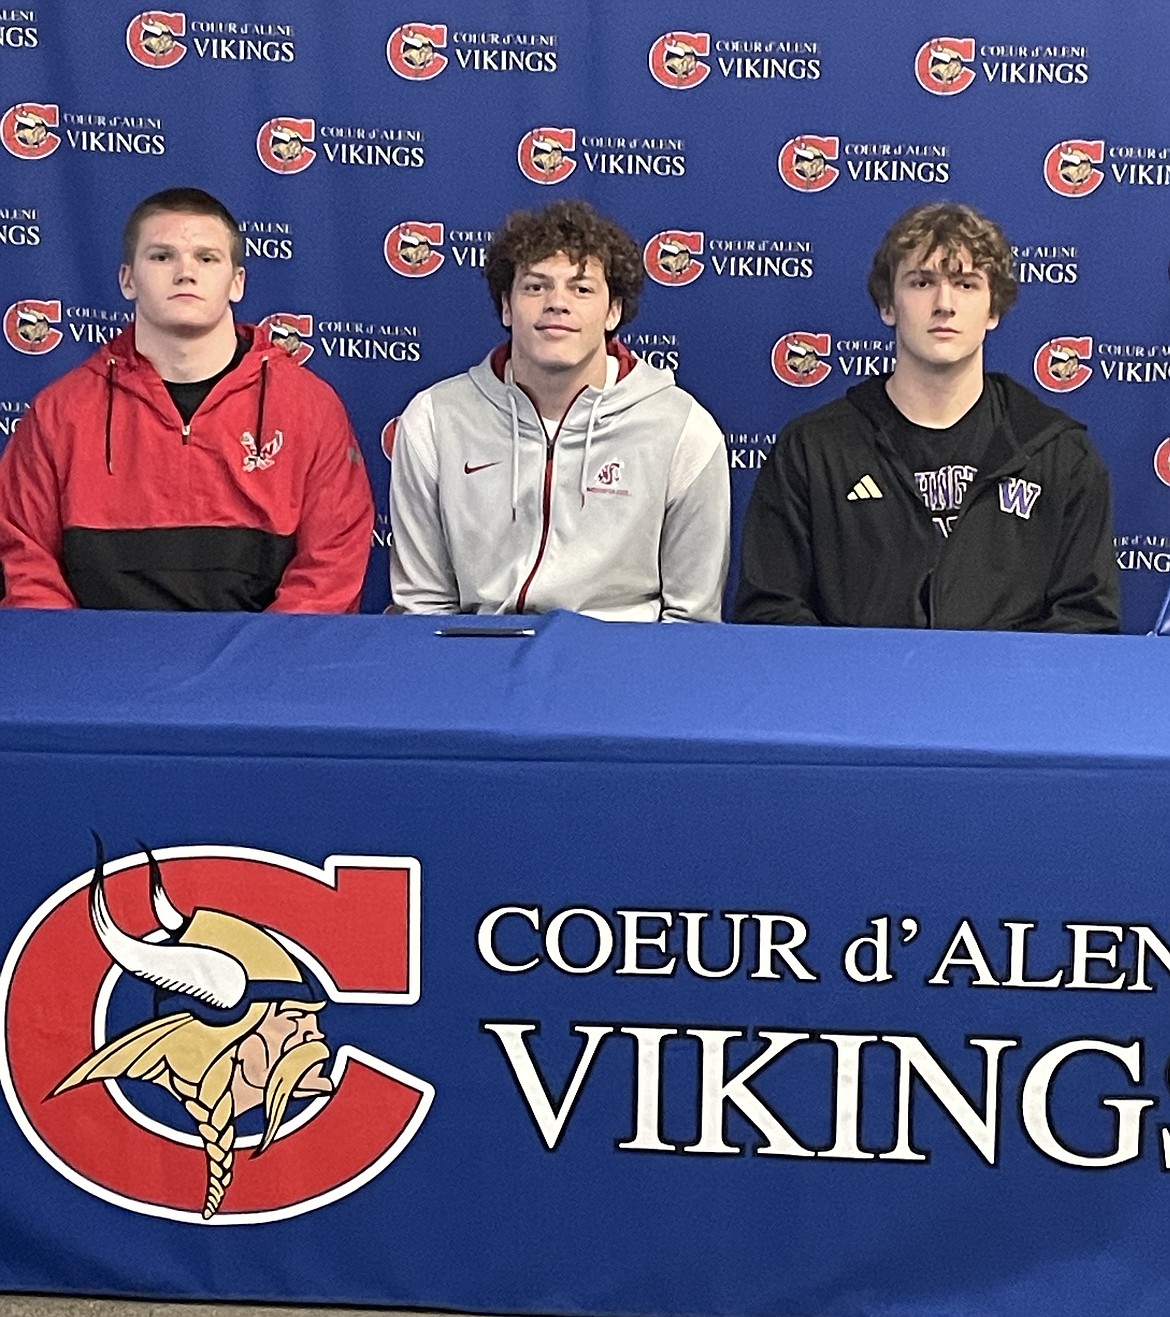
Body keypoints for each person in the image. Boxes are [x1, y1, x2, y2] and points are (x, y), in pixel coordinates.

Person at [735, 202, 1119, 632]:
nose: (944, 304)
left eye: (966, 284)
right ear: (888, 305)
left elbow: (1086, 621)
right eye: (922, 282)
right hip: (856, 696)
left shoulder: (1060, 455)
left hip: (1005, 699)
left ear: (993, 310)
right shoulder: (812, 450)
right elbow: (770, 614)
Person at [0, 187, 373, 611]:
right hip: (99, 669)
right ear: (127, 279)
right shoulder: (59, 413)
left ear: (237, 283)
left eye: (207, 258)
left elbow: (329, 575)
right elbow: (25, 566)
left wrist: (258, 670)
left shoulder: (310, 409)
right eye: (162, 256)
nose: (185, 273)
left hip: (262, 671)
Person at [388, 199, 730, 620]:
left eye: (581, 288)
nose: (557, 303)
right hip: (480, 661)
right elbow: (424, 607)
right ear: (507, 308)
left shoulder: (684, 430)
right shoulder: (434, 420)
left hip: (621, 668)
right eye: (535, 286)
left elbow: (690, 619)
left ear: (613, 312)